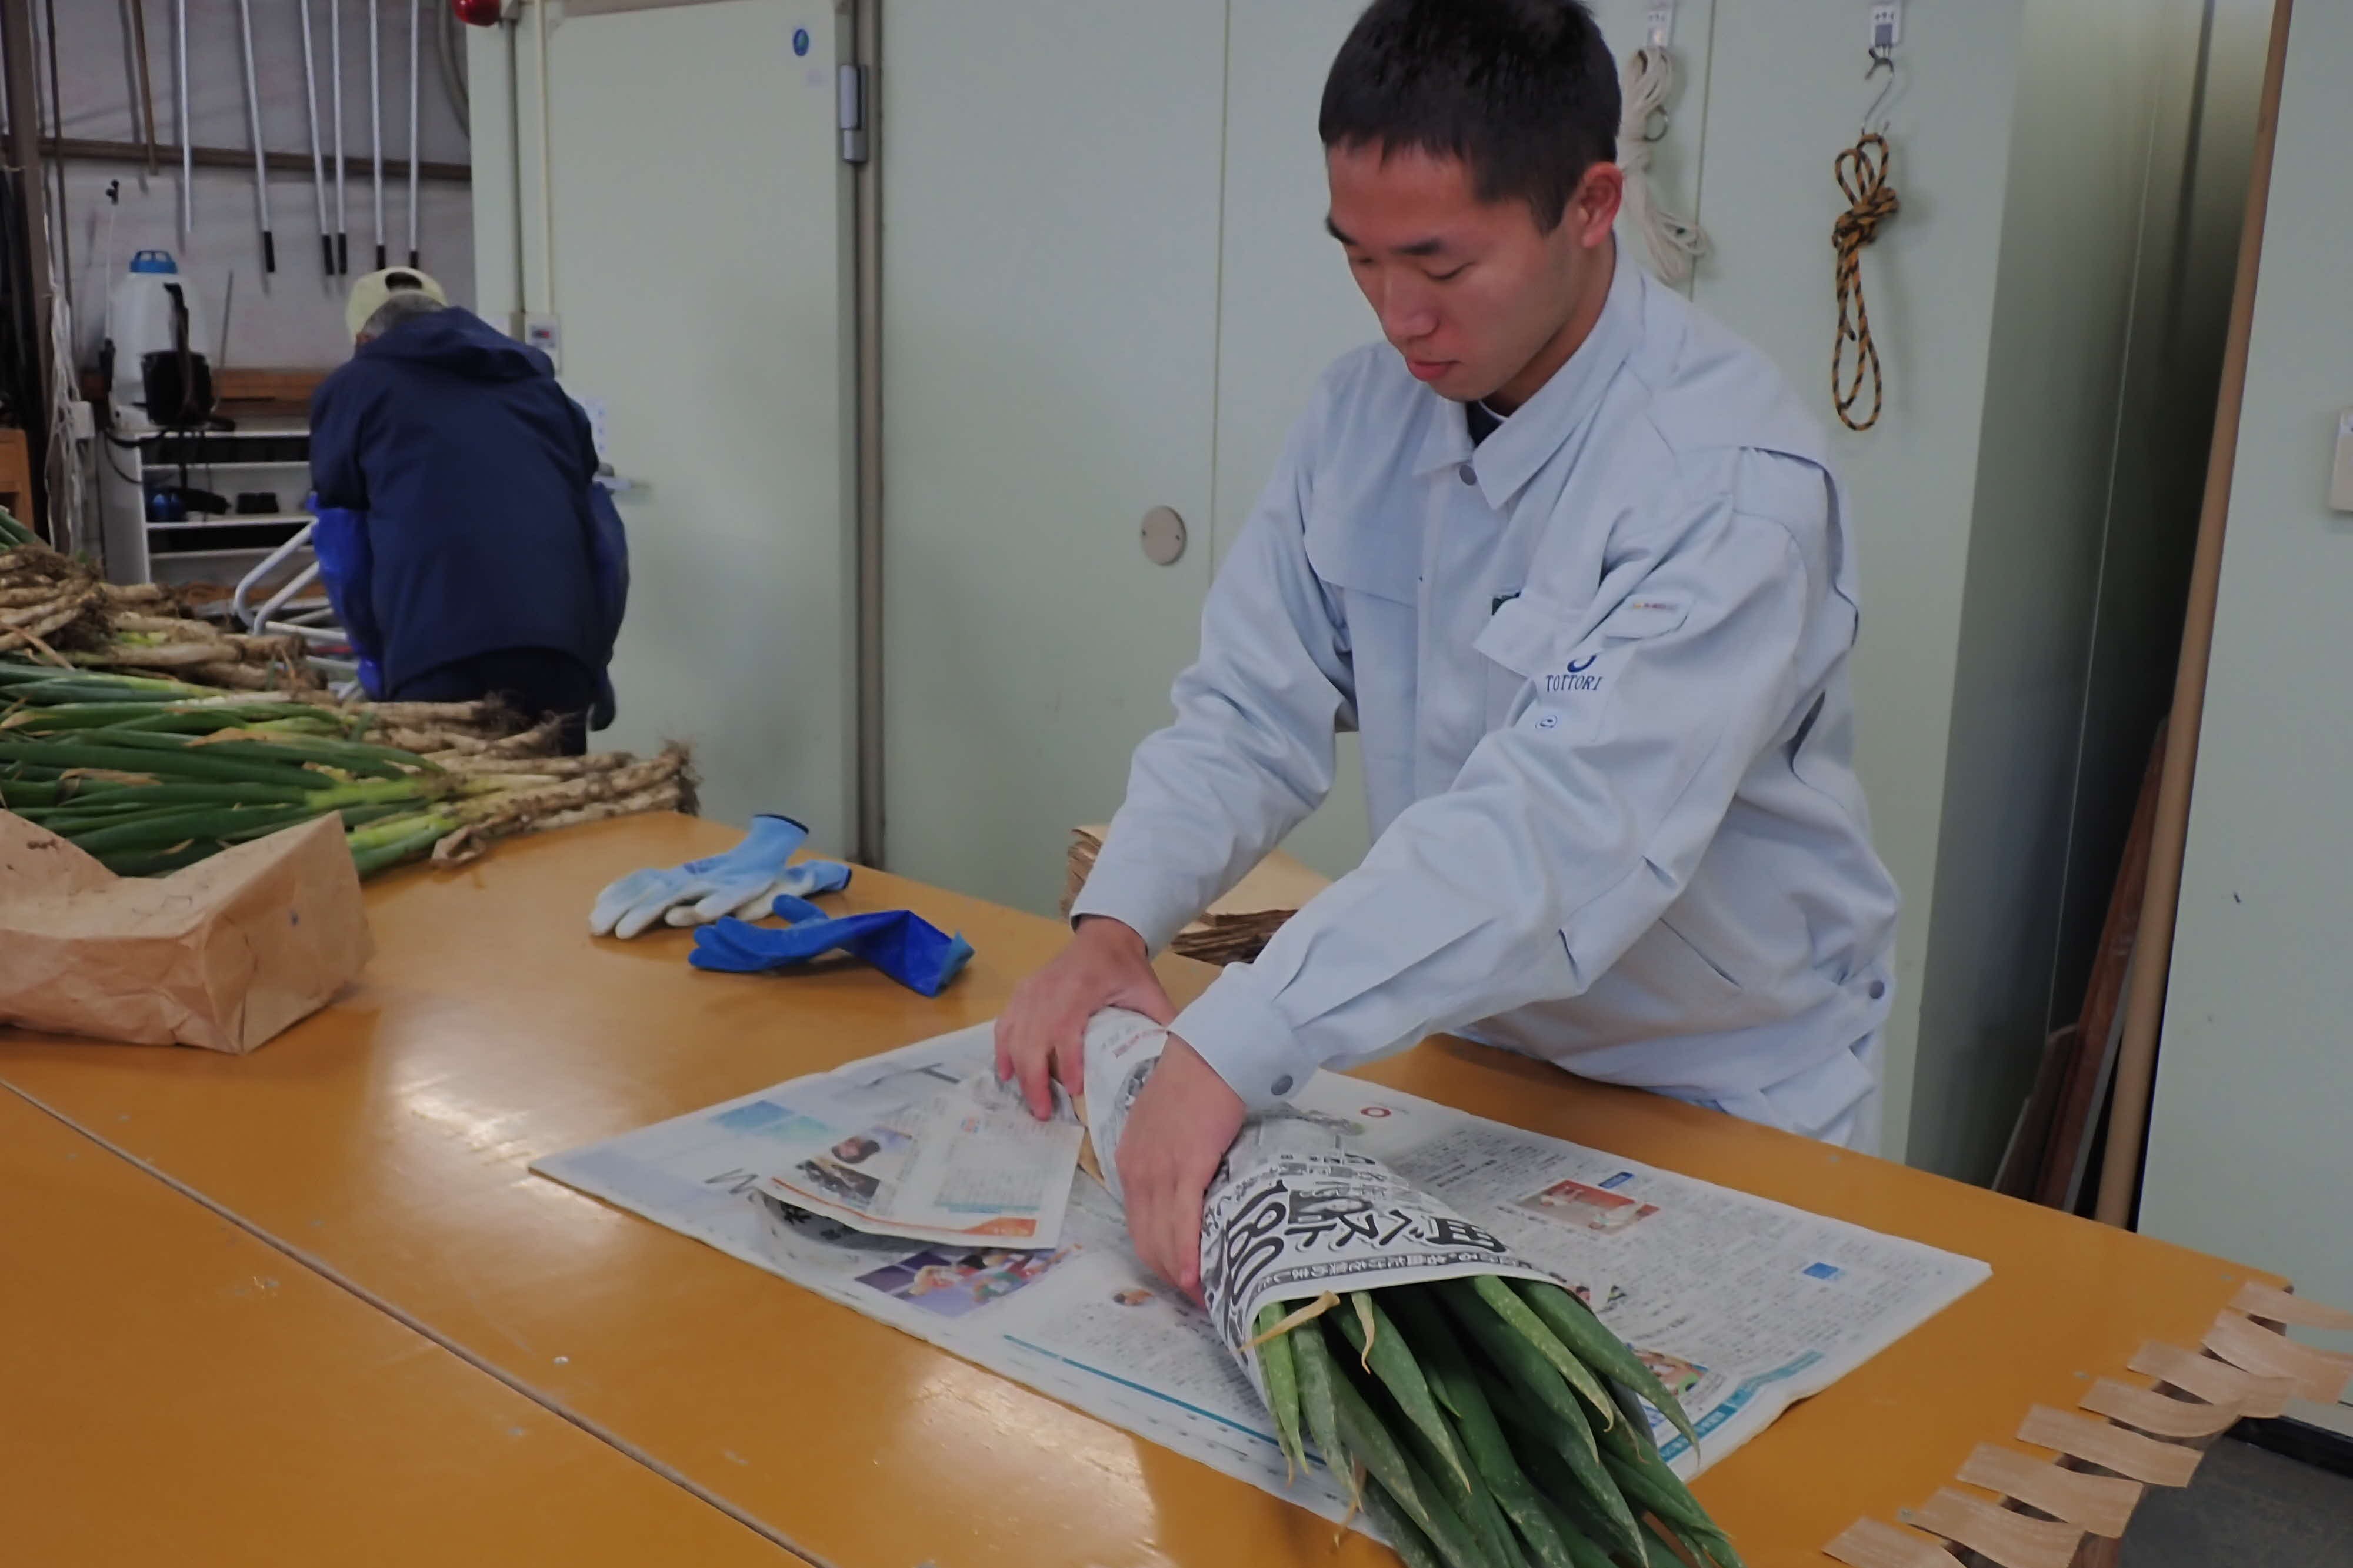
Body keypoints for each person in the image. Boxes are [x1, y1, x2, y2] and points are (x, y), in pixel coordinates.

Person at [995, 0, 1899, 1300]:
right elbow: (1248, 708)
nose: (1397, 315)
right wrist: (1116, 924)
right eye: (1359, 260)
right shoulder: (1361, 417)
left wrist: (1241, 1033)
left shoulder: (1724, 480)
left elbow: (1558, 828)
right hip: (1479, 1047)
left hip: (1720, 1082)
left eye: (1439, 264)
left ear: (1590, 205)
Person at [307, 267, 627, 755]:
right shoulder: (543, 393)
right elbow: (607, 544)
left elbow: (344, 549)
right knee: (559, 801)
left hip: (433, 658)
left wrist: (374, 656)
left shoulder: (355, 388)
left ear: (362, 339)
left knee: (458, 801)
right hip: (560, 655)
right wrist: (596, 657)